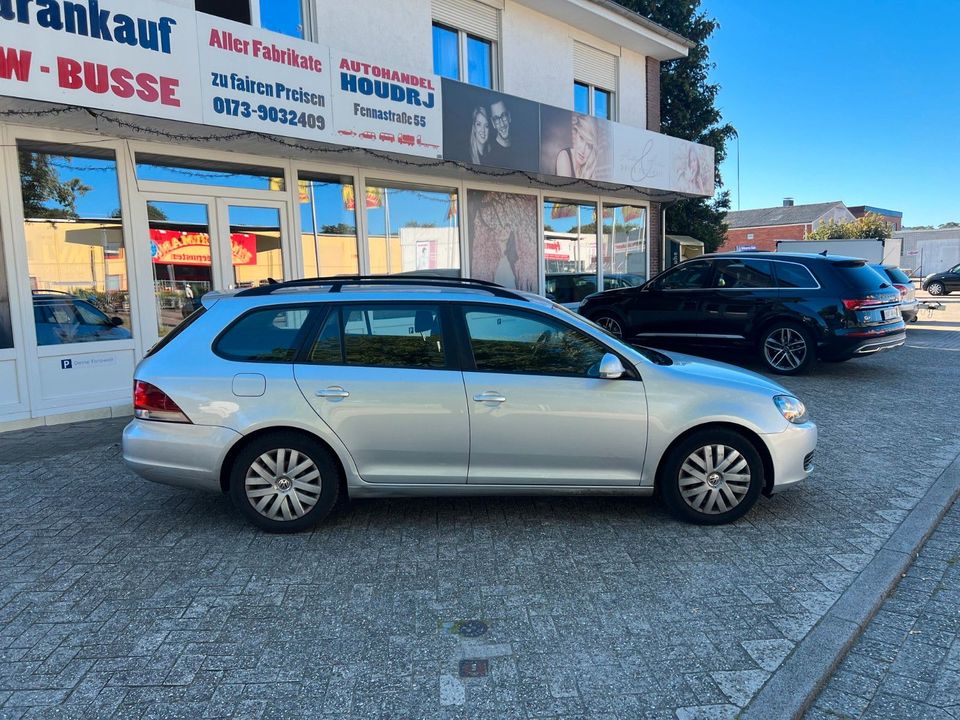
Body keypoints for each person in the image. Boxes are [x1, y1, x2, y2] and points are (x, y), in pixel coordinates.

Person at [555, 114, 599, 179]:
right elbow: (567, 188)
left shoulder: (589, 166)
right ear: (576, 134)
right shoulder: (564, 156)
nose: (583, 150)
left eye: (589, 145)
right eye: (581, 138)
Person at [486, 99, 512, 167]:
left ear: (509, 116)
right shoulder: (491, 157)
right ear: (493, 123)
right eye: (496, 119)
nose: (502, 124)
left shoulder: (521, 147)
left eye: (503, 115)